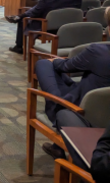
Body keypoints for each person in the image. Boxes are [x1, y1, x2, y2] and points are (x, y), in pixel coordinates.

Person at [35, 23, 110, 158]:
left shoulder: (98, 51)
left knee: (44, 64)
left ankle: (58, 108)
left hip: (82, 115)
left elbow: (66, 66)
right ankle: (57, 147)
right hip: (103, 112)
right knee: (70, 81)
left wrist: (55, 61)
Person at [6, 0, 82, 54]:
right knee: (35, 10)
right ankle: (20, 16)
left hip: (48, 28)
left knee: (23, 20)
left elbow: (35, 13)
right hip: (69, 26)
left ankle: (19, 46)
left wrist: (25, 15)